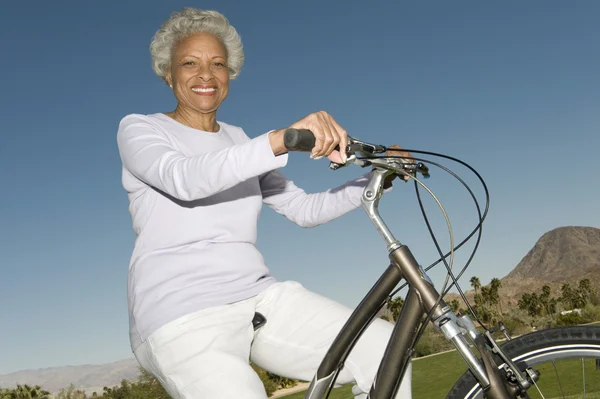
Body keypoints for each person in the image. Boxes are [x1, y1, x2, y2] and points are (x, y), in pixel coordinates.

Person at [116, 8, 412, 399]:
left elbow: (304, 210)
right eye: (190, 63)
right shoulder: (140, 129)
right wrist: (281, 139)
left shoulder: (240, 141)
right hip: (180, 317)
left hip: (260, 298)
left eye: (217, 64)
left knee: (387, 351)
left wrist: (379, 177)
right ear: (168, 74)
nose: (205, 74)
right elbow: (185, 179)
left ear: (229, 75)